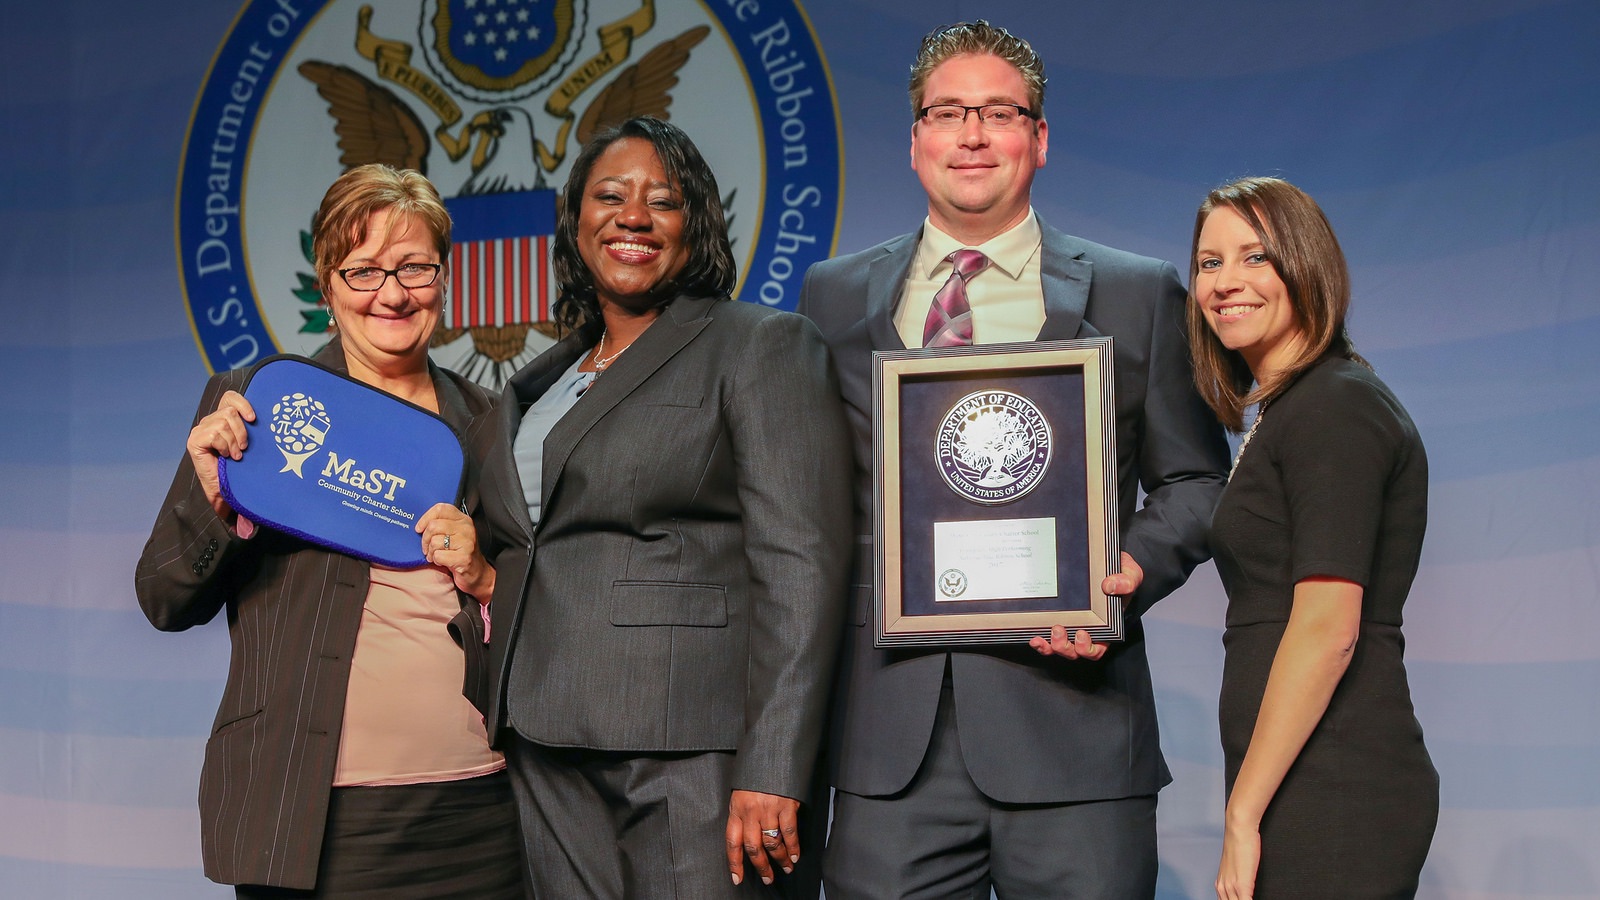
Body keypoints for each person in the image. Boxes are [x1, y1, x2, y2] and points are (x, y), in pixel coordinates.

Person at [797, 20, 1231, 899]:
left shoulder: (1134, 291)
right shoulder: (832, 295)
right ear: (915, 138)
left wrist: (1126, 570)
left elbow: (1194, 480)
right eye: (948, 112)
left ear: (1039, 138)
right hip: (890, 745)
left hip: (1075, 737)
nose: (972, 134)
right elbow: (807, 504)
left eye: (999, 112)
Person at [475, 116, 853, 897]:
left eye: (664, 200)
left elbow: (802, 566)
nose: (634, 216)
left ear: (697, 223)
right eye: (609, 195)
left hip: (695, 751)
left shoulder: (761, 345)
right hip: (546, 741)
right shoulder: (542, 382)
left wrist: (775, 765)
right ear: (577, 219)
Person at [135, 164, 521, 898]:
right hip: (311, 818)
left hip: (479, 811)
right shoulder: (253, 408)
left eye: (414, 267)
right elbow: (163, 596)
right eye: (365, 271)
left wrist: (487, 581)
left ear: (443, 277)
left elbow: (541, 619)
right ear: (328, 286)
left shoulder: (494, 423)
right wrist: (218, 504)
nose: (393, 294)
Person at [1187, 176, 1438, 899]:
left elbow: (1328, 627)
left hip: (1338, 787)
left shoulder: (1335, 405)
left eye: (1254, 257)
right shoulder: (1292, 408)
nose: (1226, 283)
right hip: (1303, 784)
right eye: (1209, 263)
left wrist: (1241, 812)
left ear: (1305, 264)